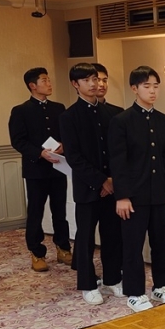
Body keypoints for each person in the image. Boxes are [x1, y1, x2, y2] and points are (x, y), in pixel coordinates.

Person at [108, 66, 165, 313]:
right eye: (147, 86)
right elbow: (118, 162)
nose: (152, 91)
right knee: (133, 245)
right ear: (134, 89)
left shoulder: (164, 120)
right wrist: (122, 196)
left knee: (160, 241)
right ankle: (135, 292)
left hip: (158, 193)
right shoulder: (121, 121)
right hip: (133, 195)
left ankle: (161, 286)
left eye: (156, 86)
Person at [59, 63, 124, 306]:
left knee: (112, 235)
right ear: (75, 84)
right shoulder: (68, 116)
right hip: (88, 187)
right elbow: (74, 157)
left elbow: (118, 151)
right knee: (85, 237)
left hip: (112, 187)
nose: (94, 84)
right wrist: (101, 181)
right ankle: (87, 284)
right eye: (87, 80)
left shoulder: (112, 114)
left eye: (95, 79)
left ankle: (112, 278)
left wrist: (112, 179)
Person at [8, 67, 73, 272]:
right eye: (44, 80)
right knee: (36, 212)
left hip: (58, 168)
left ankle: (63, 248)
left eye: (49, 79)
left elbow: (67, 133)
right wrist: (39, 153)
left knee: (60, 211)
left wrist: (63, 145)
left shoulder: (58, 108)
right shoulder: (20, 111)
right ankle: (37, 252)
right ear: (32, 85)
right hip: (36, 170)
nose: (49, 83)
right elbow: (18, 140)